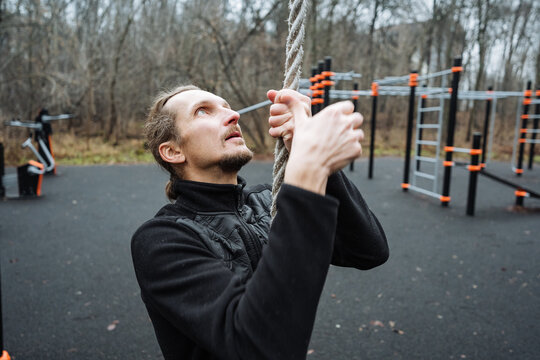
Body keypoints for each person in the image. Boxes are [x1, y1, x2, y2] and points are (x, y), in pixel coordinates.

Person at [131, 84, 389, 360]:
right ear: (173, 151)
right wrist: (308, 168)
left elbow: (367, 251)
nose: (233, 116)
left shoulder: (269, 200)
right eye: (203, 112)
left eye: (227, 107)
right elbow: (258, 348)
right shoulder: (162, 239)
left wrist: (321, 167)